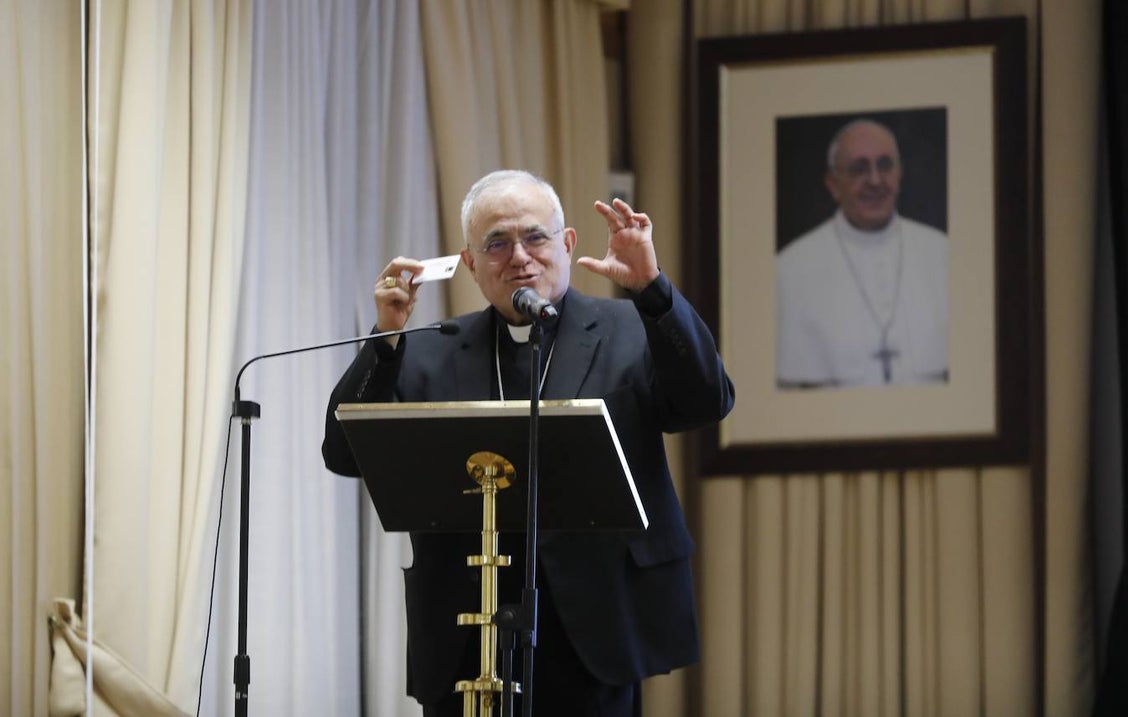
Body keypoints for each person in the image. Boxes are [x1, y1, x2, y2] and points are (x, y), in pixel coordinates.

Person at [322, 169, 735, 716]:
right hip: (466, 631)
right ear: (471, 264)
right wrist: (386, 338)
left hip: (594, 628)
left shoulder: (632, 328)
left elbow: (706, 403)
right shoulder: (428, 350)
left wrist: (654, 290)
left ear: (567, 244)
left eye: (535, 237)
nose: (520, 257)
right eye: (497, 243)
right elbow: (344, 452)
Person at [775, 118, 948, 389]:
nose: (875, 180)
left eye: (885, 165)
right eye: (859, 169)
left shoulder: (945, 254)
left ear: (899, 175)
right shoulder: (787, 270)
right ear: (833, 184)